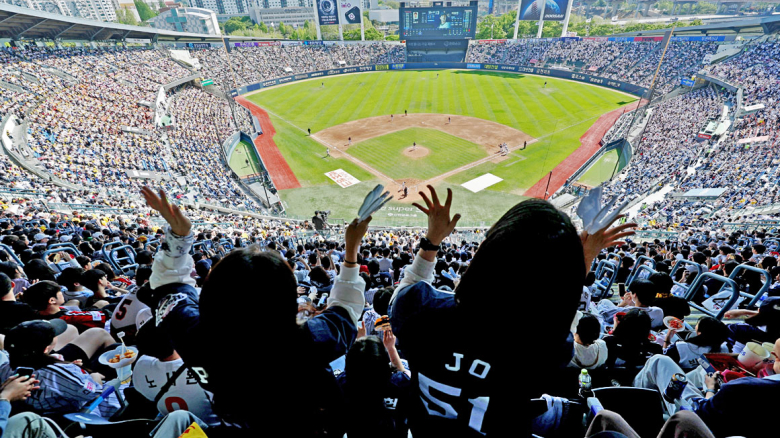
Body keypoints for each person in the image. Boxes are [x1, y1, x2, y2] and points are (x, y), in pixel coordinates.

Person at [389, 186, 635, 436]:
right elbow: (557, 317)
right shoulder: (545, 347)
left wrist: (432, 240)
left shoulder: (423, 307)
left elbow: (404, 293)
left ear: (486, 250)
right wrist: (581, 261)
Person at [135, 186, 368, 435]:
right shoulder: (312, 340)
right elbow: (346, 307)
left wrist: (180, 237)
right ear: (286, 303)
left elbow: (168, 286)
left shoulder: (192, 334)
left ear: (212, 296)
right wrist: (351, 252)